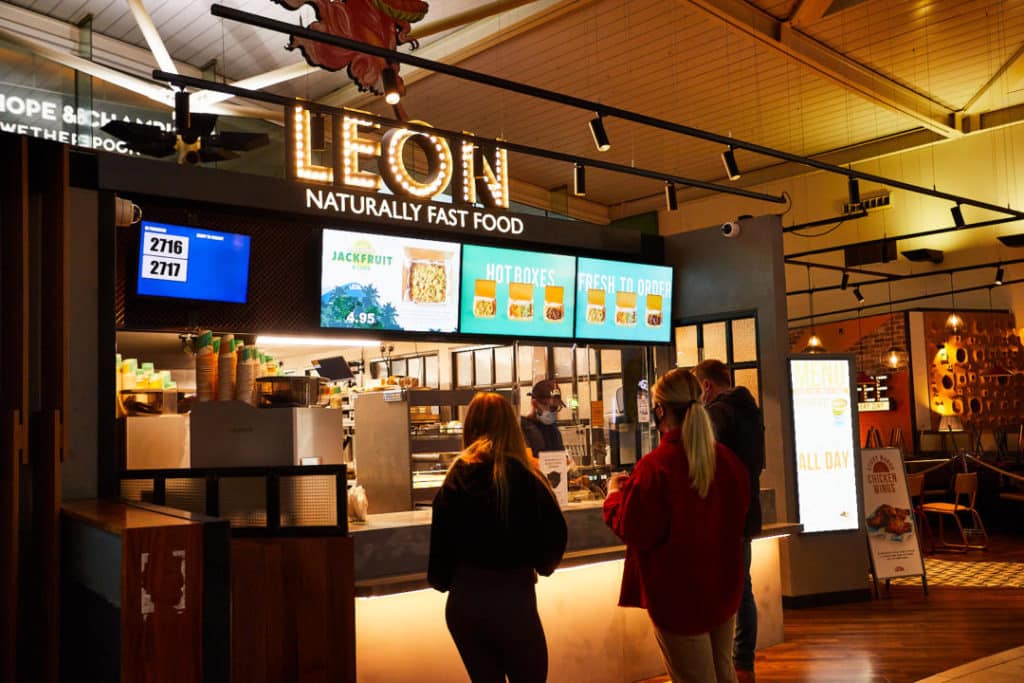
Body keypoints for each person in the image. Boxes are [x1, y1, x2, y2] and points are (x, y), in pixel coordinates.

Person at [603, 368, 749, 683]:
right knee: (724, 671)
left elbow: (635, 528)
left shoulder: (655, 467)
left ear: (660, 410)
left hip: (678, 595)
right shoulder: (727, 461)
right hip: (723, 586)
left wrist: (614, 497)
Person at [428, 392, 568, 683]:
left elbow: (439, 565)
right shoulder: (528, 479)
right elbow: (551, 547)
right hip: (513, 602)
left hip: (465, 604)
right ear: (511, 427)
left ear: (469, 428)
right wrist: (539, 565)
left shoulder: (453, 478)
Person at [694, 360, 765, 683]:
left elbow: (700, 462)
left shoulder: (717, 413)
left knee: (725, 589)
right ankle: (743, 663)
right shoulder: (750, 409)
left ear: (706, 386)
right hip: (748, 512)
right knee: (743, 588)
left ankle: (726, 664)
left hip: (724, 515)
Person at [520, 379, 566, 456]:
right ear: (535, 404)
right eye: (551, 408)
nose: (554, 412)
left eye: (556, 408)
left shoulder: (554, 431)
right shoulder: (521, 429)